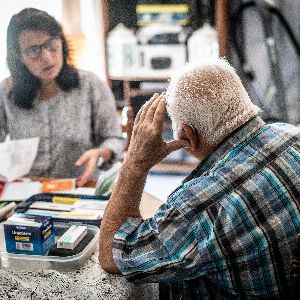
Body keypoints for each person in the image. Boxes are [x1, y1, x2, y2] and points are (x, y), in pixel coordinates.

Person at [99, 58, 300, 298]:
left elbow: (111, 254)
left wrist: (135, 162)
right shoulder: (292, 134)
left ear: (187, 136)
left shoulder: (199, 207)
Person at [0, 8, 123, 186]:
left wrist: (100, 152)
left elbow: (115, 139)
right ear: (18, 57)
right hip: (26, 193)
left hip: (81, 188)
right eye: (34, 50)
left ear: (62, 42)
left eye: (51, 44)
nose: (47, 57)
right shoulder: (5, 91)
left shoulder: (90, 84)